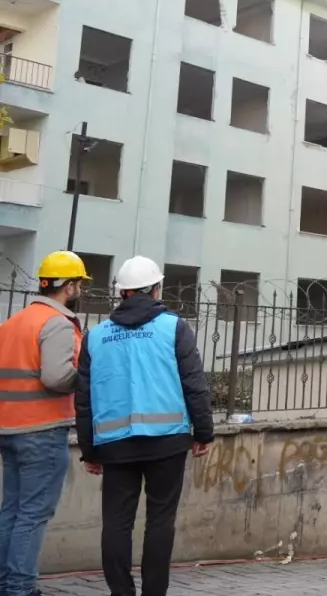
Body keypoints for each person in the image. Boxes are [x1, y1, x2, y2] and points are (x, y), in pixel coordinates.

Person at [74, 255, 214, 596]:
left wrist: (89, 450)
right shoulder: (174, 327)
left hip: (114, 445)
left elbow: (85, 399)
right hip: (167, 443)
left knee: (116, 524)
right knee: (160, 521)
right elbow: (193, 383)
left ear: (121, 293)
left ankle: (121, 592)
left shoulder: (96, 337)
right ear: (156, 289)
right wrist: (204, 432)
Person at [0, 251, 88, 596]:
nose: (80, 289)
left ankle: (5, 583)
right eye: (79, 283)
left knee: (11, 510)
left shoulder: (14, 322)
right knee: (33, 515)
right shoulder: (57, 323)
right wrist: (86, 376)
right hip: (41, 430)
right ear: (68, 286)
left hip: (8, 428)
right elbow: (56, 377)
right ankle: (19, 588)